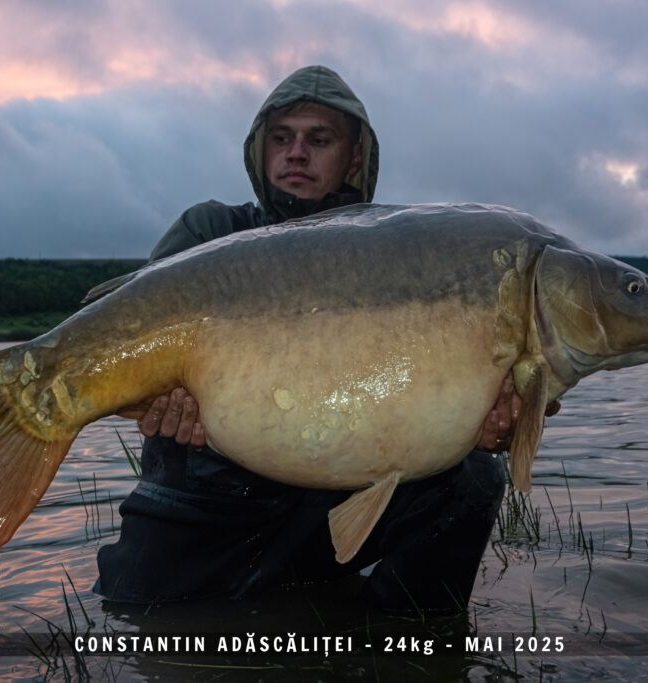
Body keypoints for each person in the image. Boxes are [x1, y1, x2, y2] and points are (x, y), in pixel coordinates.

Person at [93, 65, 549, 612]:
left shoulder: (394, 253)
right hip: (200, 510)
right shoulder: (209, 232)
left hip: (317, 511)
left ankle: (405, 658)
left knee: (473, 475)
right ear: (261, 150)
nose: (297, 153)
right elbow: (135, 354)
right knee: (140, 629)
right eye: (281, 138)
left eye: (320, 139)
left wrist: (481, 419)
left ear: (355, 157)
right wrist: (157, 402)